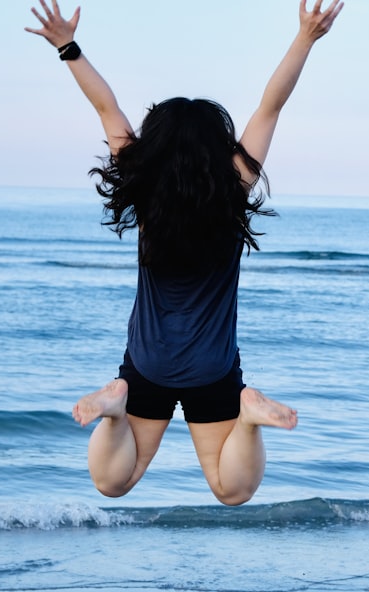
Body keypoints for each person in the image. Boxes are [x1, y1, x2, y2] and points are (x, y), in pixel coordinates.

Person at [25, 0, 343, 505]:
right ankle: (251, 416)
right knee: (231, 490)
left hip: (147, 364)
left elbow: (106, 107)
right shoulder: (234, 185)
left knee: (113, 483)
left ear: (156, 144)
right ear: (217, 145)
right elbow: (270, 106)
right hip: (212, 367)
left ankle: (113, 406)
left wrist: (68, 46)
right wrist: (305, 38)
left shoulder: (145, 190)